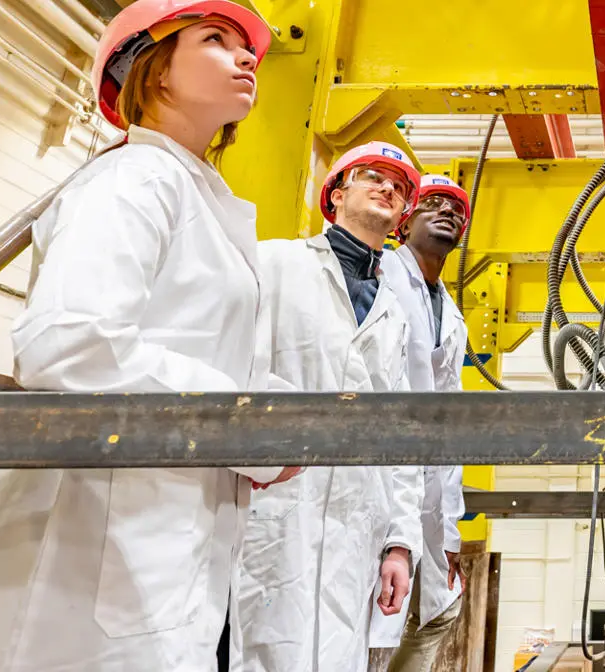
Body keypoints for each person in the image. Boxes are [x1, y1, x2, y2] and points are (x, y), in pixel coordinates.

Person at [0, 2, 299, 669]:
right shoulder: (132, 181)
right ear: (153, 68)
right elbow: (69, 343)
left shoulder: (197, 197)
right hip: (90, 546)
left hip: (159, 535)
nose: (248, 56)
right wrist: (251, 424)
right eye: (216, 40)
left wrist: (280, 416)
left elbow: (198, 353)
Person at [235, 141, 429, 672]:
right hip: (273, 513)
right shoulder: (274, 263)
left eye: (400, 184)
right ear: (336, 192)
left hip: (357, 530)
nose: (389, 187)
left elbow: (399, 434)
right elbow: (234, 373)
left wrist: (399, 544)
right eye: (374, 175)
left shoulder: (394, 311)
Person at [370, 173, 472, 672]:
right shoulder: (380, 274)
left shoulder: (452, 315)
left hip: (427, 488)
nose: (447, 211)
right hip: (378, 471)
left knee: (441, 608)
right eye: (433, 202)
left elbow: (449, 426)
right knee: (369, 620)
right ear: (404, 220)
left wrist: (449, 536)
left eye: (456, 207)